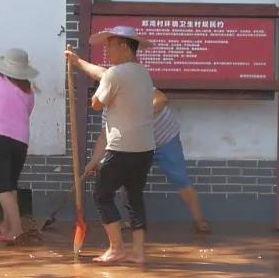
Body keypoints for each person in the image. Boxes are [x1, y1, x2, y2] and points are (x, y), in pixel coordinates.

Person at [65, 50, 210, 234]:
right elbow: (104, 136)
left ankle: (199, 220)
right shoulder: (109, 105)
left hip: (164, 139)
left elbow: (161, 99)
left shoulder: (136, 87)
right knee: (129, 182)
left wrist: (139, 116)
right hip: (138, 146)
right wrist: (94, 162)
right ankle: (134, 225)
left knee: (180, 179)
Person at [65, 26, 155, 265]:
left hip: (121, 147)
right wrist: (77, 62)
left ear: (124, 46)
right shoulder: (142, 73)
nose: (107, 50)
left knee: (102, 195)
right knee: (134, 196)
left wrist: (97, 93)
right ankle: (138, 252)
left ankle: (116, 248)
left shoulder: (116, 75)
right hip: (145, 148)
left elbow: (96, 104)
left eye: (110, 46)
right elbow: (103, 74)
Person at [0, 48, 37, 244]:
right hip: (21, 141)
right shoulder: (28, 91)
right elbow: (25, 115)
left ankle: (17, 230)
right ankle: (7, 225)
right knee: (11, 183)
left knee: (2, 186)